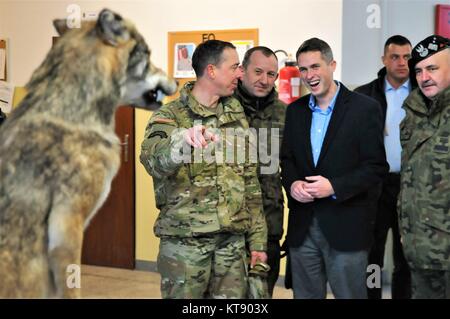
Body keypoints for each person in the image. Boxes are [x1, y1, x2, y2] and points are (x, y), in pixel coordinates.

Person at [140, 39, 267, 299]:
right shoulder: (170, 116)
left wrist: (257, 242)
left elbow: (250, 183)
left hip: (231, 245)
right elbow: (153, 161)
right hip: (185, 245)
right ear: (211, 71)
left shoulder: (235, 115)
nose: (240, 74)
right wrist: (182, 141)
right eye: (234, 67)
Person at [280, 38, 388, 299]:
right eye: (303, 69)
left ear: (332, 65)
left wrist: (334, 187)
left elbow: (375, 167)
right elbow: (287, 159)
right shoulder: (295, 111)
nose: (309, 75)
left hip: (347, 228)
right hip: (303, 227)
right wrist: (293, 183)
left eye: (315, 66)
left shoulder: (365, 109)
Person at [354, 35, 415, 299]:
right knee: (373, 253)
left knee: (406, 255)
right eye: (395, 57)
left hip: (411, 188)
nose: (402, 63)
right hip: (375, 187)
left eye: (407, 57)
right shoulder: (364, 96)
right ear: (384, 60)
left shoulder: (423, 92)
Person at [398, 35, 450, 299]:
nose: (424, 77)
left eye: (433, 68)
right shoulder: (413, 115)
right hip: (420, 248)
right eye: (418, 71)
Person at [233, 46, 286, 297]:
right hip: (228, 225)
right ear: (241, 71)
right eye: (258, 72)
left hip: (269, 222)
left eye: (271, 74)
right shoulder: (223, 109)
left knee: (261, 294)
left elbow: (293, 168)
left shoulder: (284, 114)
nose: (264, 80)